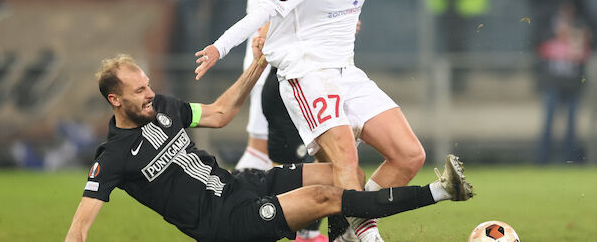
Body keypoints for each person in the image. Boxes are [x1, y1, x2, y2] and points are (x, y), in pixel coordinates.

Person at [194, 0, 452, 241]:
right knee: (346, 160)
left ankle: (347, 230)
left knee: (409, 155)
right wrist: (220, 46)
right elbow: (266, 7)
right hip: (307, 72)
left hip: (347, 72)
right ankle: (366, 236)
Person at [64, 48, 474, 242]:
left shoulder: (166, 108)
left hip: (239, 186)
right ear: (115, 101)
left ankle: (346, 235)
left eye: (148, 84)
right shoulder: (113, 157)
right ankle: (440, 191)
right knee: (326, 197)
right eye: (139, 91)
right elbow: (79, 228)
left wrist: (259, 61)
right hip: (224, 223)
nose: (150, 93)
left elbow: (221, 113)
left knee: (344, 174)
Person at [261, 0, 344, 240]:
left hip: (317, 87)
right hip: (288, 92)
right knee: (307, 175)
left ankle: (320, 233)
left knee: (332, 169)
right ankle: (306, 234)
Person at [234, 0, 302, 172]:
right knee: (260, 149)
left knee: (265, 149)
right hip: (267, 53)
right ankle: (225, 204)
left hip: (273, 52)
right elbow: (270, 6)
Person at [535, 0, 594, 164]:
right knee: (548, 124)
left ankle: (569, 160)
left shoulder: (580, 32)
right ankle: (542, 159)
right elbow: (542, 50)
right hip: (554, 85)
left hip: (572, 85)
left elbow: (583, 54)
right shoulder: (550, 36)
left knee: (571, 126)